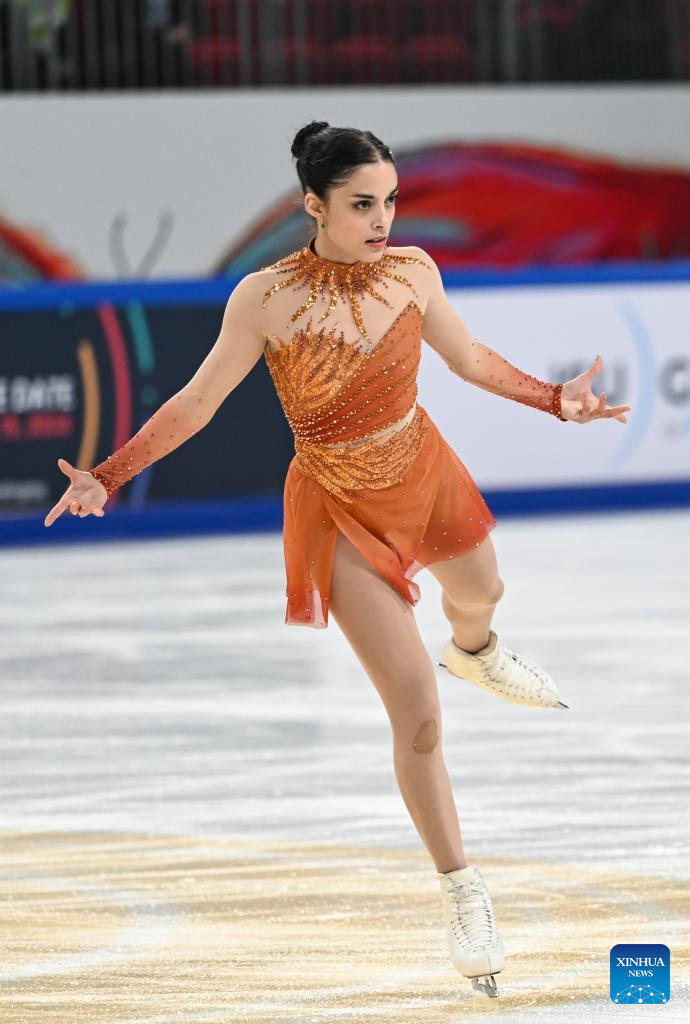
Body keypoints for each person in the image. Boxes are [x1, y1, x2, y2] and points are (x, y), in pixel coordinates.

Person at [43, 120, 631, 997]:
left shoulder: (414, 272)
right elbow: (198, 403)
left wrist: (556, 401)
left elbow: (467, 357)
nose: (382, 219)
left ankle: (475, 649)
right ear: (313, 205)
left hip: (422, 472)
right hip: (338, 509)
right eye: (362, 204)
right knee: (419, 718)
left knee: (484, 594)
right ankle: (462, 889)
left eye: (390, 200)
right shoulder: (264, 297)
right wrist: (109, 473)